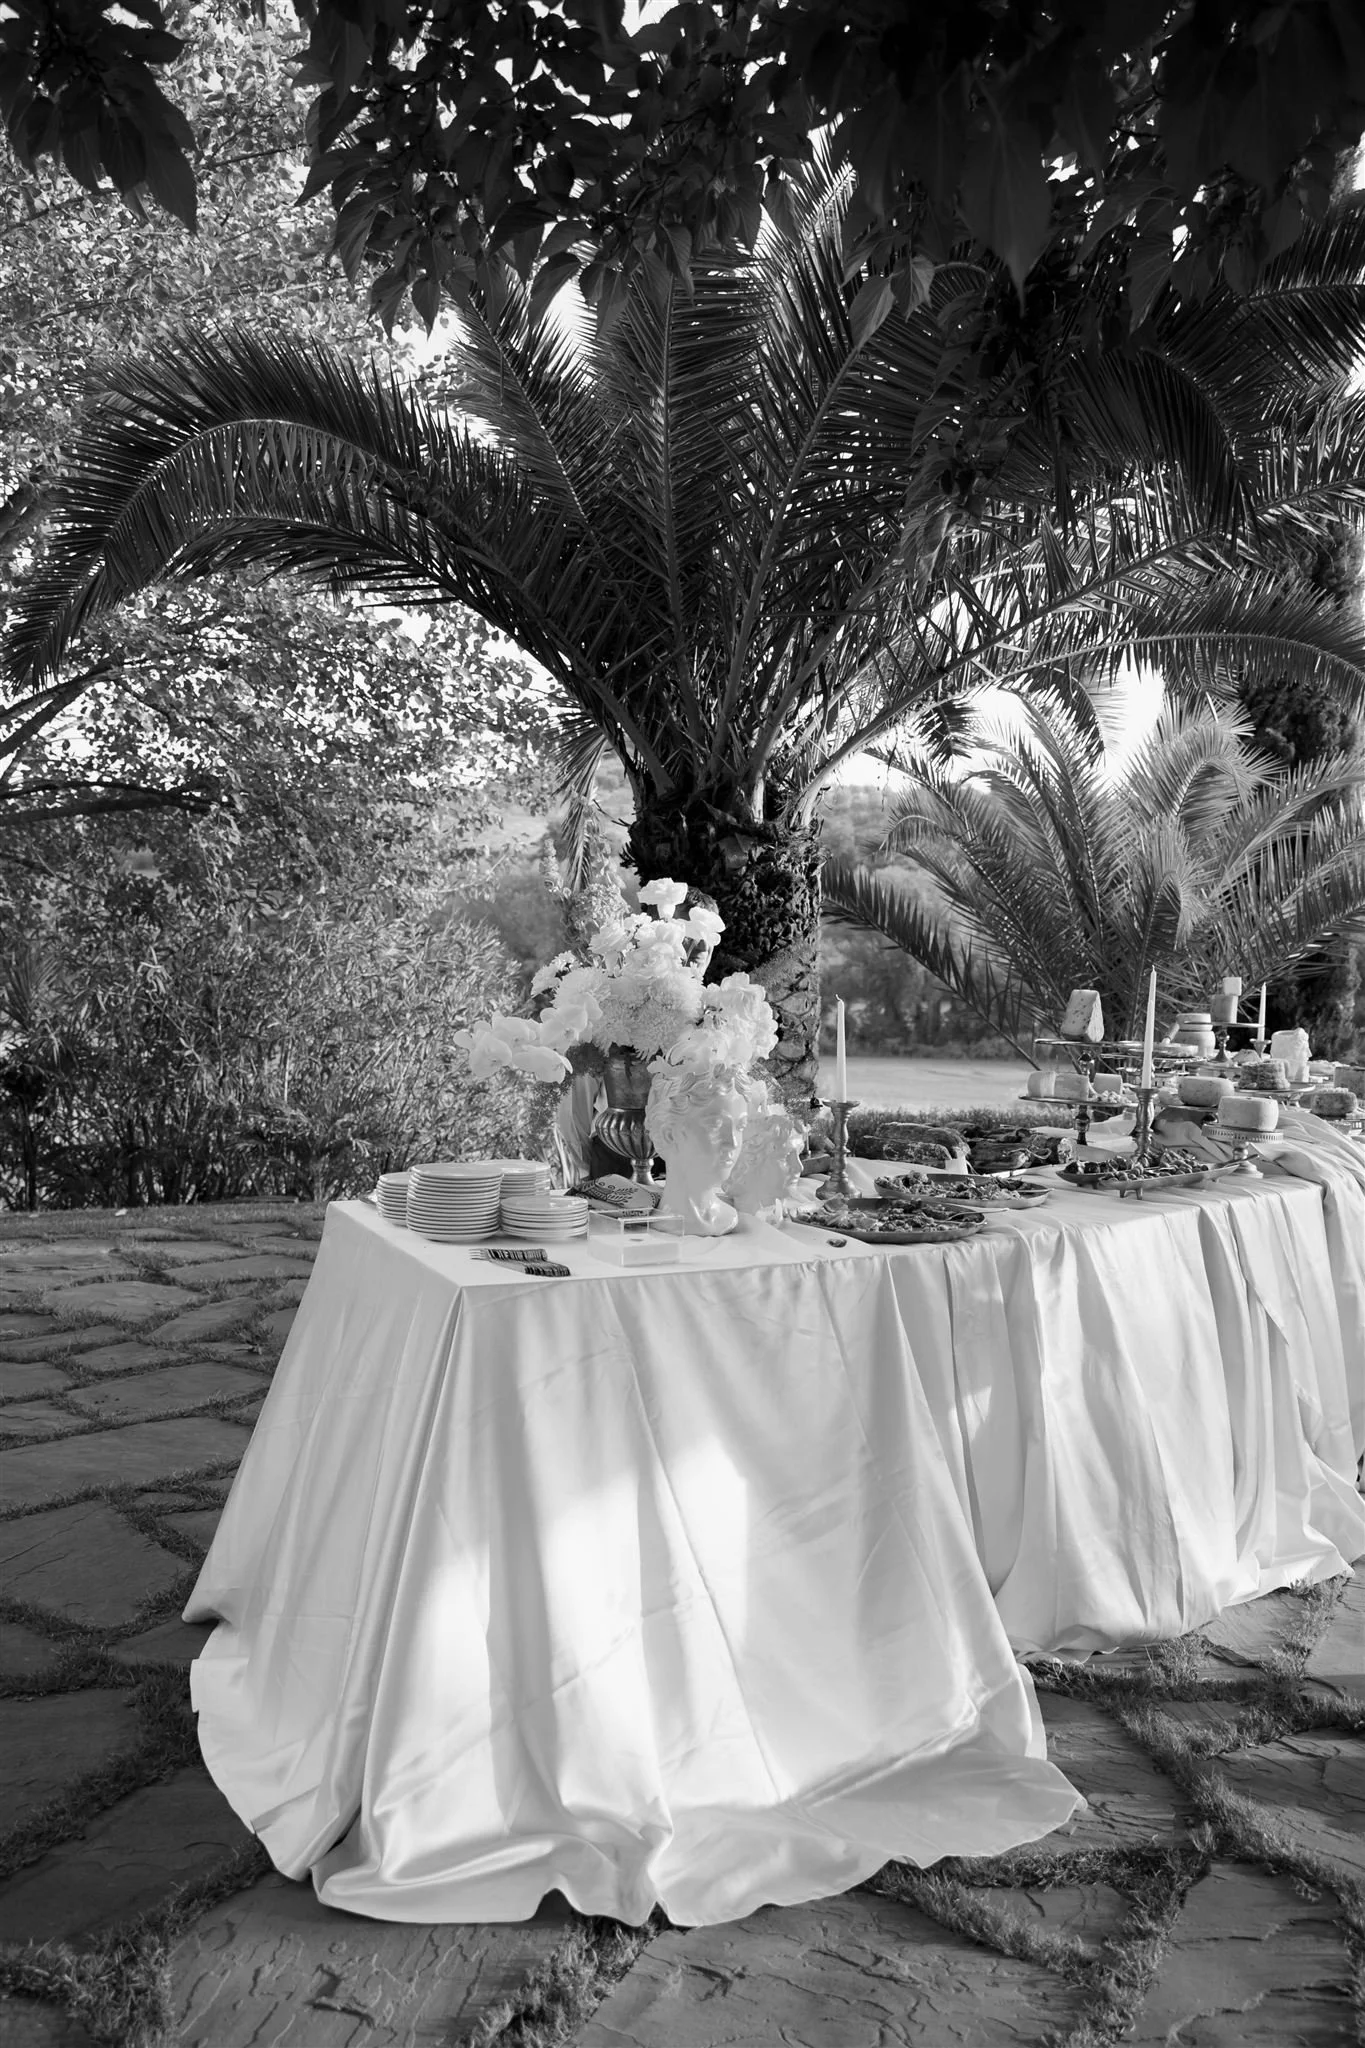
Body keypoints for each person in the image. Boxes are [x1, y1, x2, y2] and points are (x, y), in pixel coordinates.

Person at [645, 1063, 747, 1235]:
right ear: (669, 1134)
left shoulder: (727, 1217)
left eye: (740, 1126)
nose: (733, 1142)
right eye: (715, 1126)